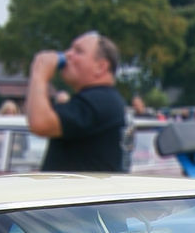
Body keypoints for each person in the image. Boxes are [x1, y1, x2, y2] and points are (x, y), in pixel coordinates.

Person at [25, 32, 126, 173]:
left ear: (101, 67)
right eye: (70, 49)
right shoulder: (102, 99)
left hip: (84, 193)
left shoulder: (100, 100)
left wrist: (40, 73)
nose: (68, 55)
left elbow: (40, 123)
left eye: (78, 51)